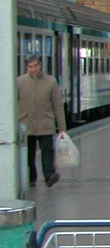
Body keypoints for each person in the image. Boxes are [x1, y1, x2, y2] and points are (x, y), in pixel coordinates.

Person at [17, 56, 66, 188]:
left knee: (47, 150)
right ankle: (31, 178)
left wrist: (62, 127)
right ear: (26, 68)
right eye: (30, 67)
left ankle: (49, 175)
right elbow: (13, 103)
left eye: (36, 66)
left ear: (40, 66)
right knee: (28, 153)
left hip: (46, 123)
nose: (33, 69)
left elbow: (57, 105)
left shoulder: (51, 82)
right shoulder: (20, 82)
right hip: (26, 123)